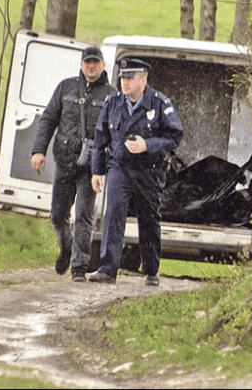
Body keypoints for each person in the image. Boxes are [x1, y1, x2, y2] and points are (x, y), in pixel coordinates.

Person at [88, 58, 183, 286]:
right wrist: (97, 171)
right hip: (119, 167)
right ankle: (108, 269)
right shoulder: (113, 102)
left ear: (143, 79)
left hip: (148, 170)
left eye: (130, 78)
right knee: (113, 214)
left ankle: (151, 270)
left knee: (149, 219)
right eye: (122, 78)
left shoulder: (159, 103)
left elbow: (175, 137)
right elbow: (100, 137)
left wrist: (148, 145)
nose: (125, 83)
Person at [31, 46, 117, 282]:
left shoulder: (112, 95)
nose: (91, 66)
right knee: (57, 216)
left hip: (91, 166)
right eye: (87, 62)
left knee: (84, 216)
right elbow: (48, 119)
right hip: (64, 161)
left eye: (95, 62)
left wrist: (108, 162)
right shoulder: (65, 87)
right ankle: (67, 247)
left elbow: (116, 131)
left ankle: (79, 266)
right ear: (81, 65)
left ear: (103, 65)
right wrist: (39, 150)